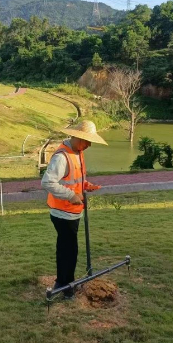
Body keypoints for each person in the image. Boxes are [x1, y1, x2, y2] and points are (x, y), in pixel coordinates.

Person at [41, 120, 107, 299]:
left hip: (72, 211)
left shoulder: (77, 152)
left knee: (67, 248)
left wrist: (86, 185)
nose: (89, 145)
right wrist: (71, 196)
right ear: (78, 137)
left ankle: (64, 282)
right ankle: (65, 285)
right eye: (87, 141)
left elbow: (74, 179)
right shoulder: (62, 157)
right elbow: (47, 182)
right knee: (68, 249)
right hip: (63, 212)